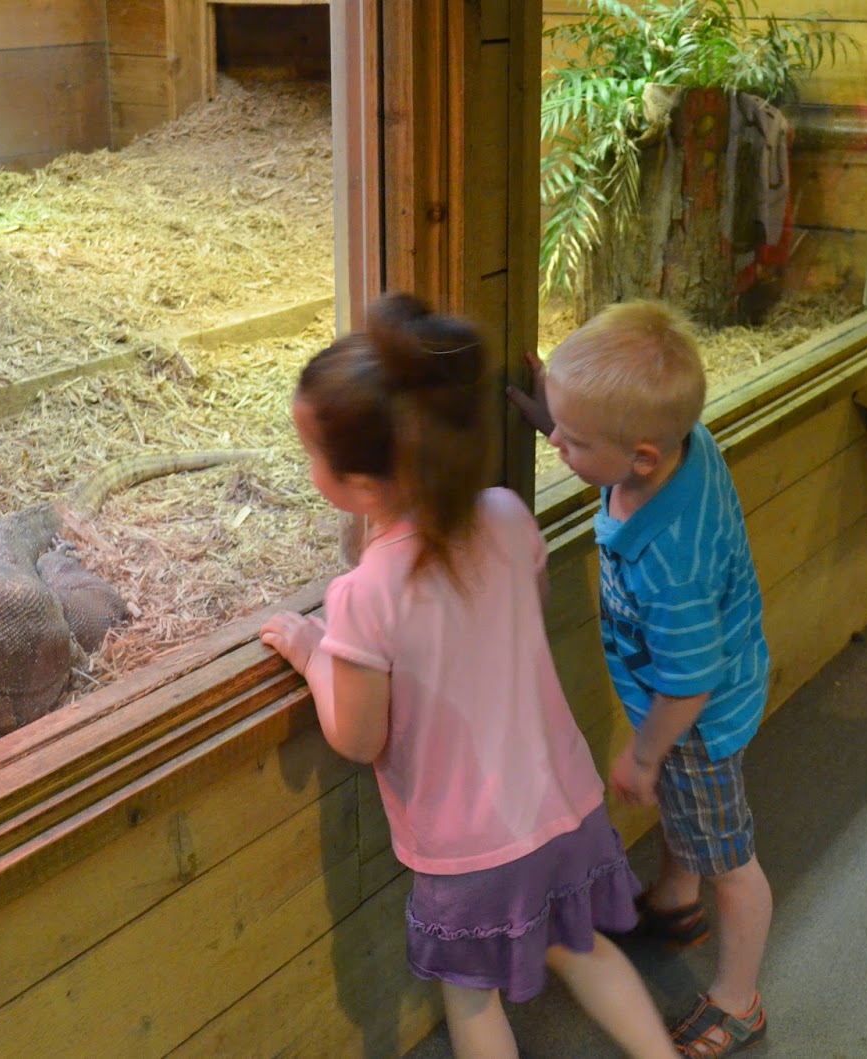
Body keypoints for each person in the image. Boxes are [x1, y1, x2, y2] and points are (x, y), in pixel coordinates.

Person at [260, 294, 674, 1059]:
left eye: (312, 452)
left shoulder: (363, 592)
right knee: (583, 947)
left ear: (360, 485)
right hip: (566, 807)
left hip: (471, 851)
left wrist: (313, 652)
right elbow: (526, 611)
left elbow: (358, 736)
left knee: (471, 996)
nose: (309, 466)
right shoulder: (508, 515)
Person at [510, 301, 775, 1058]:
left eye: (573, 441)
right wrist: (563, 416)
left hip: (696, 721)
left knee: (731, 860)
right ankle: (674, 902)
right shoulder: (679, 443)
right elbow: (616, 436)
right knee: (690, 822)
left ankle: (739, 1000)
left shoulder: (671, 564)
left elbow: (689, 682)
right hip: (702, 683)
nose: (557, 444)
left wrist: (645, 753)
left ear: (644, 458)